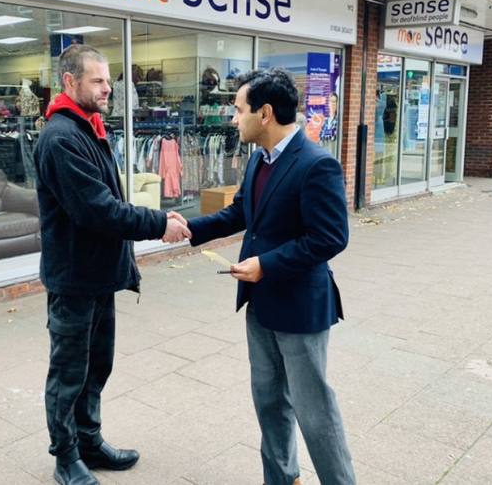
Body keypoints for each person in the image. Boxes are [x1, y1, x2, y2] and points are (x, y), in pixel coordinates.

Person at [173, 68, 356, 485]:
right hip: (260, 304)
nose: (233, 119)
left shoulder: (317, 164)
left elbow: (330, 238)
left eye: (238, 110)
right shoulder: (259, 159)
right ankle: (281, 478)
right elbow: (241, 214)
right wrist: (191, 228)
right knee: (269, 402)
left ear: (266, 113)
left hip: (300, 308)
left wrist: (267, 264)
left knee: (315, 412)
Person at [34, 44, 191, 485]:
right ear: (71, 82)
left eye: (108, 79)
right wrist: (159, 222)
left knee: (96, 365)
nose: (109, 88)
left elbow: (108, 203)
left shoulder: (90, 127)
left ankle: (89, 441)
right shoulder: (62, 137)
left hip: (99, 273)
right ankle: (66, 457)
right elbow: (97, 210)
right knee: (69, 372)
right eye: (99, 81)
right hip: (75, 278)